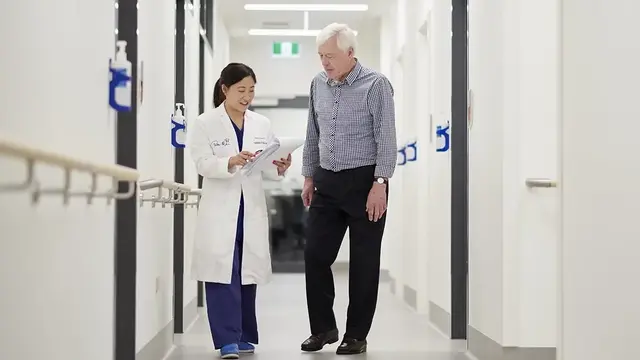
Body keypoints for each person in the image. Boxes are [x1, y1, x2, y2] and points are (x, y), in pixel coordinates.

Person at [300, 23, 397, 355]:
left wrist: (380, 183)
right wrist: (309, 176)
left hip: (365, 183)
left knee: (364, 264)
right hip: (327, 181)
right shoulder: (318, 84)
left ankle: (356, 335)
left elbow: (387, 139)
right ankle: (323, 329)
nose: (324, 63)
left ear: (350, 53)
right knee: (315, 256)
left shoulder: (376, 85)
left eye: (330, 56)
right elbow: (313, 132)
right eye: (321, 56)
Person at [187, 63, 292, 359]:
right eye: (241, 90)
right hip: (220, 208)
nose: (247, 96)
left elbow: (267, 165)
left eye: (251, 90)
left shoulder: (261, 124)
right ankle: (226, 340)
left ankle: (244, 335)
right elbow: (202, 163)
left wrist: (280, 166)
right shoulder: (206, 123)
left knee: (246, 273)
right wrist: (229, 161)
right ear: (225, 89)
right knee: (223, 273)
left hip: (251, 206)